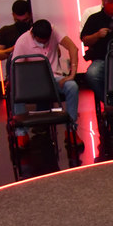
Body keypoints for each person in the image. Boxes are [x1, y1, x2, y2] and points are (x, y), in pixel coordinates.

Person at [11, 18, 82, 148]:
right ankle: (21, 133)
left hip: (54, 78)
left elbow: (73, 48)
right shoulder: (22, 41)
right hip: (33, 81)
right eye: (40, 41)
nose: (44, 43)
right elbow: (16, 69)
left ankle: (71, 129)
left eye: (46, 40)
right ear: (33, 34)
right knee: (15, 91)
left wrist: (72, 74)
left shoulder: (54, 31)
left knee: (72, 86)